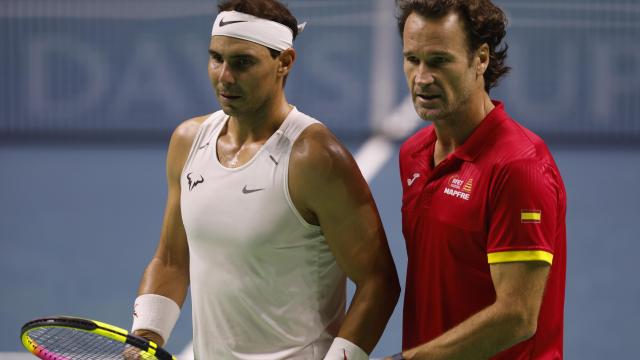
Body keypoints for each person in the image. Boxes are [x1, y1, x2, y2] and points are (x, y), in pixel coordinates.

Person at [129, 1, 400, 359]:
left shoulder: (315, 158)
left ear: (284, 62)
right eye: (216, 58)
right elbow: (171, 260)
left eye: (242, 62)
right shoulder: (187, 141)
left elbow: (379, 281)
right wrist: (146, 334)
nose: (224, 76)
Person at [386, 1, 567, 359]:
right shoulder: (414, 155)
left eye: (439, 61)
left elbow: (516, 317)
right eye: (412, 59)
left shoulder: (519, 167)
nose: (422, 78)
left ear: (480, 59)